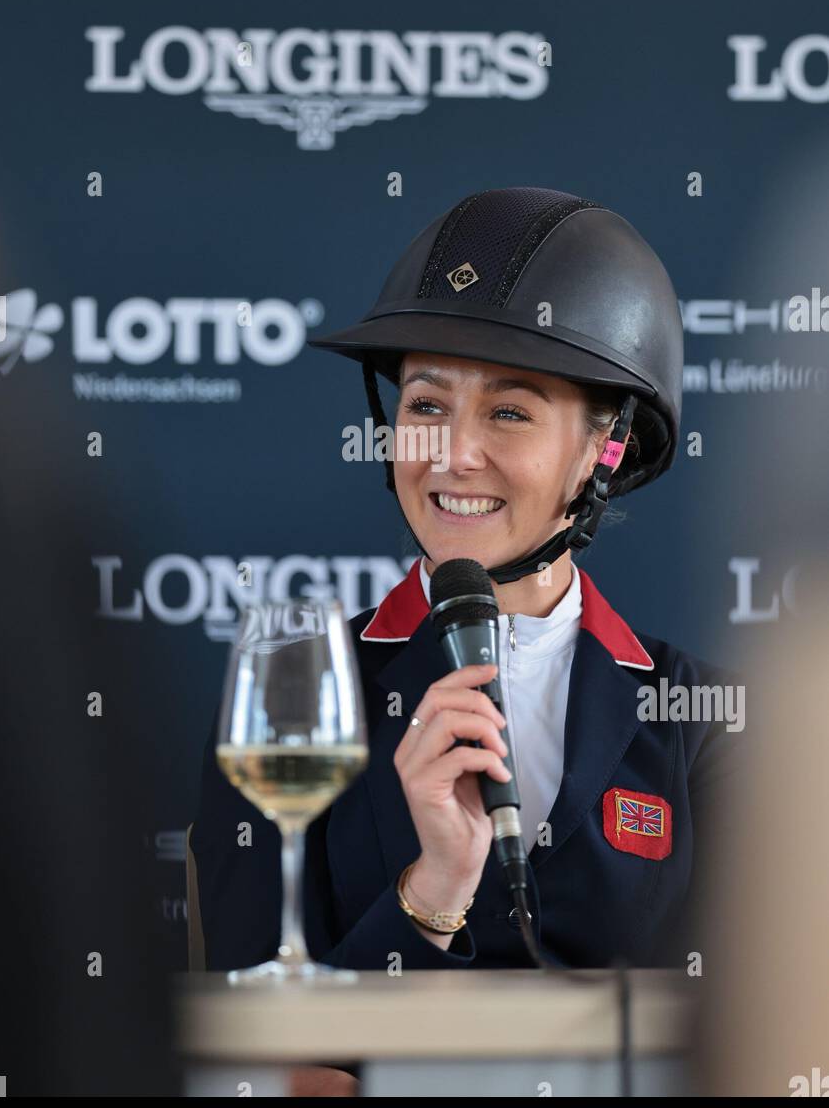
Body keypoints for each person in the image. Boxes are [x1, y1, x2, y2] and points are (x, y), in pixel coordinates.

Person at [191, 187, 741, 984]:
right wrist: (433, 890)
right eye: (426, 404)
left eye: (509, 413)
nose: (452, 455)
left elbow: (757, 1049)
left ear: (605, 451)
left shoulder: (703, 726)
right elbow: (265, 1063)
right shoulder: (289, 697)